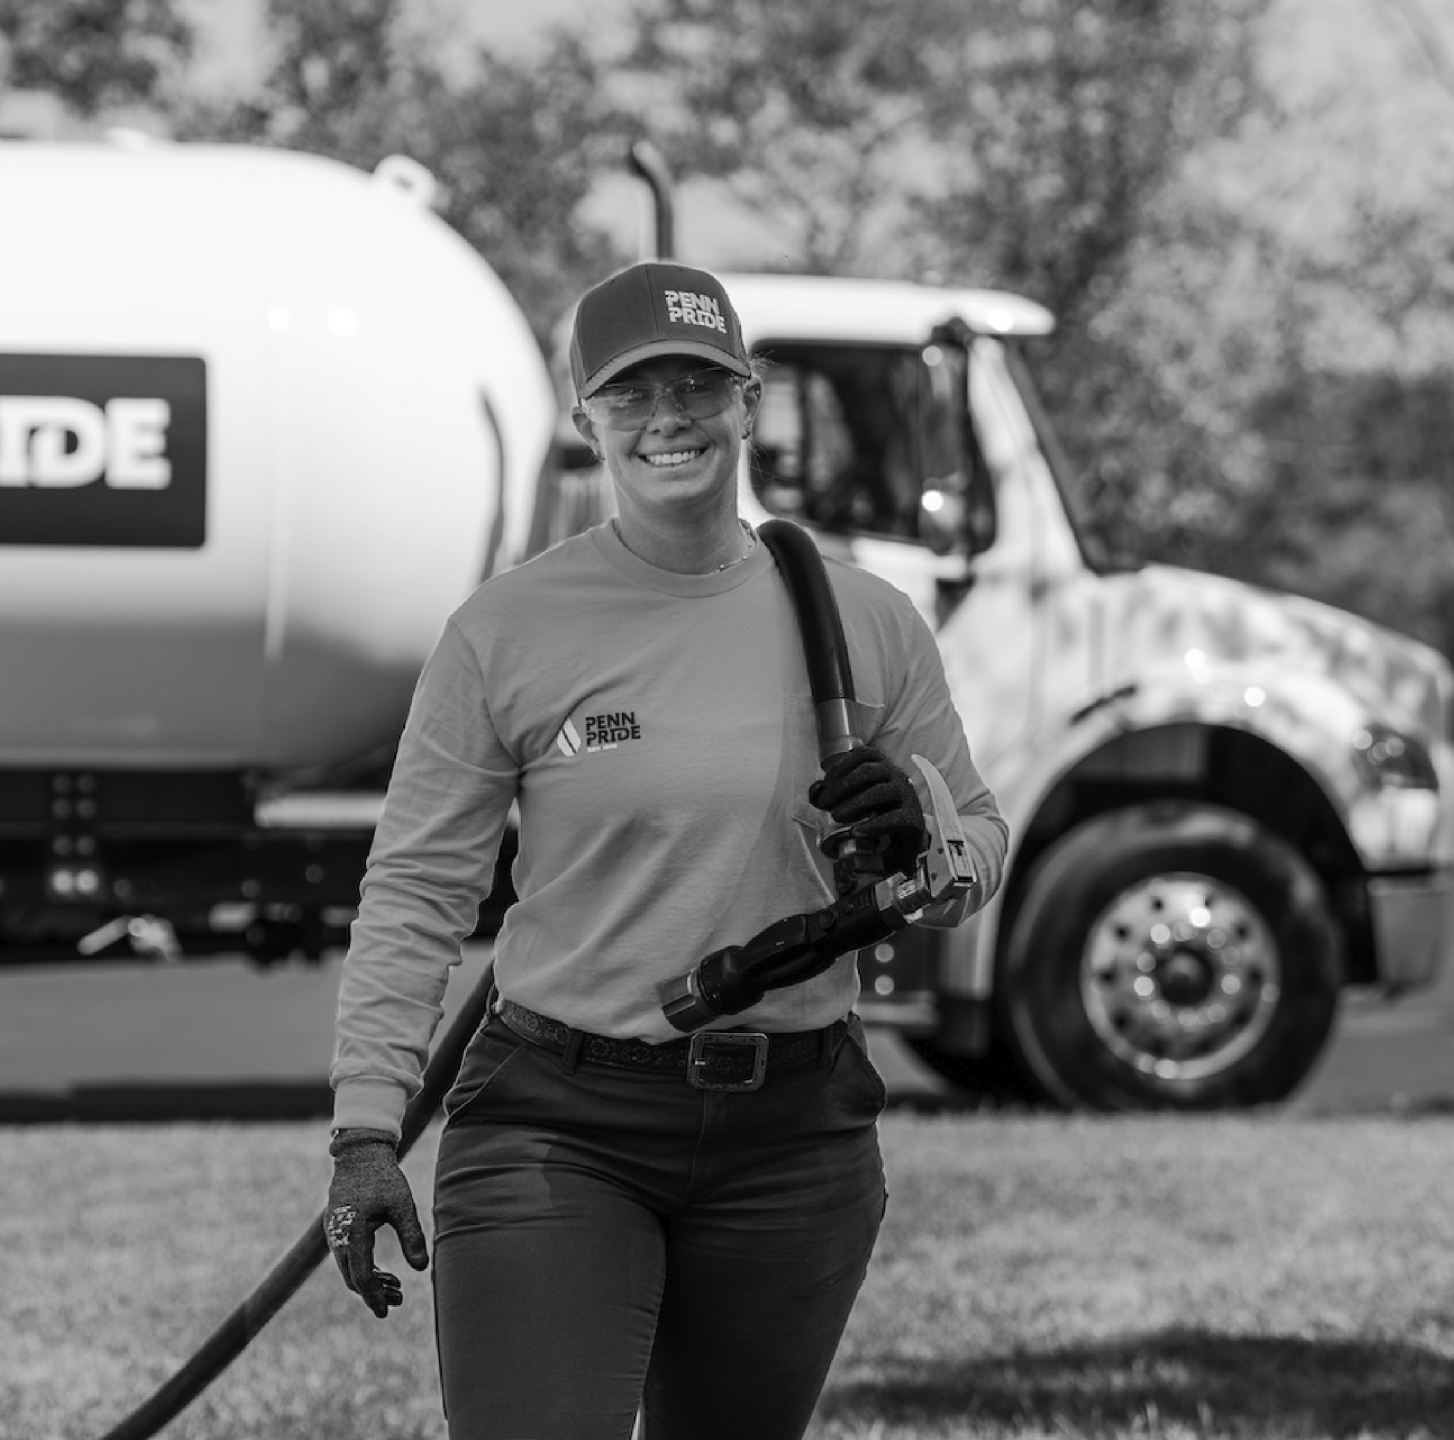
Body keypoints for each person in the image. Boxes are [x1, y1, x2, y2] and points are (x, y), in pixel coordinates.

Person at [320, 260, 1009, 1439]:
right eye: (632, 395)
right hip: (558, 1124)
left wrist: (925, 824)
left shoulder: (867, 621)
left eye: (698, 384)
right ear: (586, 422)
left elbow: (977, 848)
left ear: (748, 400)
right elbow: (416, 893)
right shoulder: (505, 632)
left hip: (793, 1142)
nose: (668, 419)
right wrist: (365, 1131)